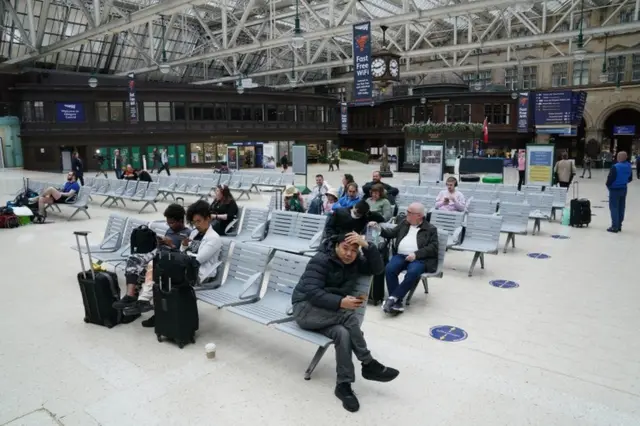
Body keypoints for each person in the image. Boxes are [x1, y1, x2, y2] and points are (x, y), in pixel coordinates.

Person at [290, 232, 399, 412]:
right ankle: (368, 363)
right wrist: (340, 302)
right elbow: (311, 292)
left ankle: (344, 386)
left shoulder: (355, 263)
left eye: (354, 250)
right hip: (305, 309)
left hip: (328, 313)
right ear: (336, 246)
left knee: (343, 333)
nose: (349, 254)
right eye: (345, 248)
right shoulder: (321, 260)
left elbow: (378, 269)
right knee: (349, 316)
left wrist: (367, 245)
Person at [114, 203, 192, 314]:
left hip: (172, 262)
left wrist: (172, 246)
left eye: (172, 222)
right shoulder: (170, 231)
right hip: (159, 255)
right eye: (168, 222)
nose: (169, 225)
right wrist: (159, 242)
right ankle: (131, 297)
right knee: (134, 259)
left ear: (180, 220)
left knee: (146, 269)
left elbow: (184, 257)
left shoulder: (187, 234)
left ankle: (139, 302)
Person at [369, 202, 438, 314]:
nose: (407, 214)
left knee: (412, 272)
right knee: (389, 269)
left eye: (410, 213)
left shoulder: (430, 229)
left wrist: (416, 254)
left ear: (419, 215)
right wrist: (379, 228)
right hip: (401, 255)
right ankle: (397, 301)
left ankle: (392, 298)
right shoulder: (404, 223)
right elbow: (391, 233)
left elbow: (433, 247)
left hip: (418, 258)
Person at [606, 151, 632, 233]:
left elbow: (610, 179)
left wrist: (608, 186)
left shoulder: (615, 167)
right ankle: (619, 225)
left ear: (620, 158)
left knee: (614, 207)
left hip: (614, 189)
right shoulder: (628, 166)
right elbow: (630, 178)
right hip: (623, 188)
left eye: (618, 156)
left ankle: (614, 226)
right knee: (621, 207)